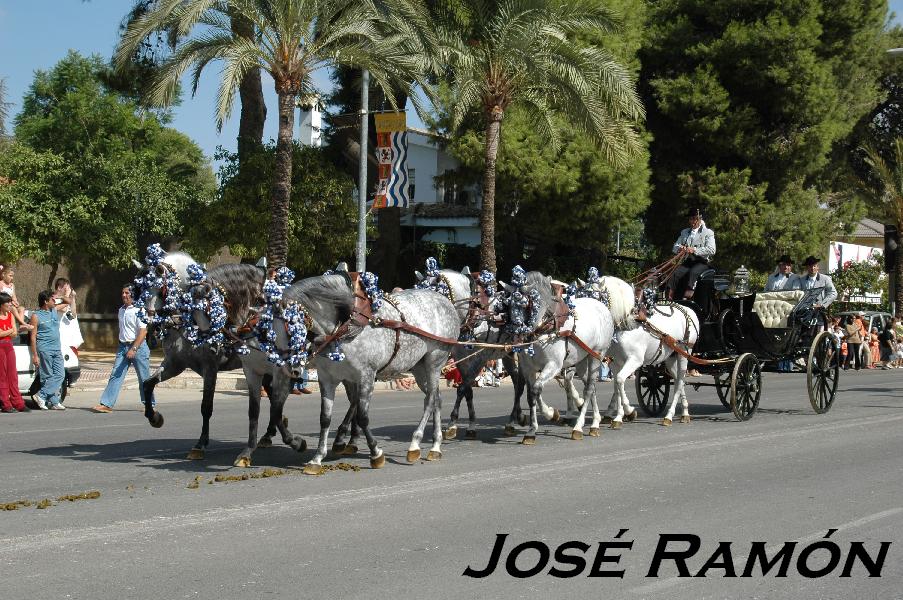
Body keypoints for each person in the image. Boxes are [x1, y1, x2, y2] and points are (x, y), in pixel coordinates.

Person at [92, 286, 154, 413]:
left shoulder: (139, 310)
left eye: (127, 293)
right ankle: (107, 404)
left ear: (133, 295)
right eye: (123, 293)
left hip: (138, 347)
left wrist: (134, 348)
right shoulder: (121, 310)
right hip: (123, 347)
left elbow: (143, 332)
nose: (124, 295)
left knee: (144, 378)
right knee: (116, 374)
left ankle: (149, 404)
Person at [28, 290, 69, 409]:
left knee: (60, 374)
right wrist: (35, 355)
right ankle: (54, 402)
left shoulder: (54, 310)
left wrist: (59, 295)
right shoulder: (36, 316)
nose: (54, 301)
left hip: (56, 348)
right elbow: (33, 336)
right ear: (46, 302)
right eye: (52, 299)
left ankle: (41, 395)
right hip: (44, 348)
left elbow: (68, 301)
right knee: (47, 376)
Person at [667, 207, 716, 301]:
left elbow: (712, 249)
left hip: (702, 262)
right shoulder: (684, 232)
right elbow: (675, 246)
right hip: (688, 261)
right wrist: (679, 249)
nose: (692, 221)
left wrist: (694, 250)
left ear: (700, 219)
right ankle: (671, 295)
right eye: (690, 219)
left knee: (693, 272)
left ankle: (689, 292)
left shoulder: (708, 233)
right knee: (676, 273)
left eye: (694, 218)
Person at [0, 293, 28, 413]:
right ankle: (6, 404)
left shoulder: (10, 314)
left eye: (11, 302)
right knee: (3, 376)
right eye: (8, 303)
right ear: (1, 305)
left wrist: (7, 331)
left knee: (13, 375)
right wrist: (10, 330)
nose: (10, 305)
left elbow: (15, 333)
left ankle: (18, 403)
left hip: (9, 346)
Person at [53, 277, 84, 352]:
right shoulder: (54, 299)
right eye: (66, 287)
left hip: (70, 337)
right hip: (62, 338)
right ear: (59, 287)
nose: (68, 289)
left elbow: (73, 314)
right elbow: (63, 309)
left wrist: (72, 298)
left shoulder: (65, 299)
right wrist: (66, 295)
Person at [0, 266, 33, 332]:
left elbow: (14, 296)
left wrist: (16, 302)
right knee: (13, 309)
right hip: (4, 305)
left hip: (11, 304)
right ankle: (24, 323)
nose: (11, 278)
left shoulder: (12, 285)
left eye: (12, 276)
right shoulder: (0, 284)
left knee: (22, 308)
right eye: (10, 276)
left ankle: (21, 325)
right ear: (3, 274)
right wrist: (11, 302)